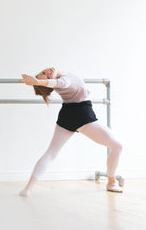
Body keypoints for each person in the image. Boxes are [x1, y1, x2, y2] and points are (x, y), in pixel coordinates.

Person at [19, 67, 123, 196]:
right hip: (82, 115)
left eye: (43, 72)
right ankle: (111, 181)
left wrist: (39, 81)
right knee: (117, 146)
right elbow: (62, 83)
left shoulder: (60, 79)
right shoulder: (63, 80)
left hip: (67, 114)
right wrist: (39, 82)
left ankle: (27, 189)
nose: (48, 72)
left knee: (51, 154)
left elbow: (57, 83)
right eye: (46, 76)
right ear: (49, 83)